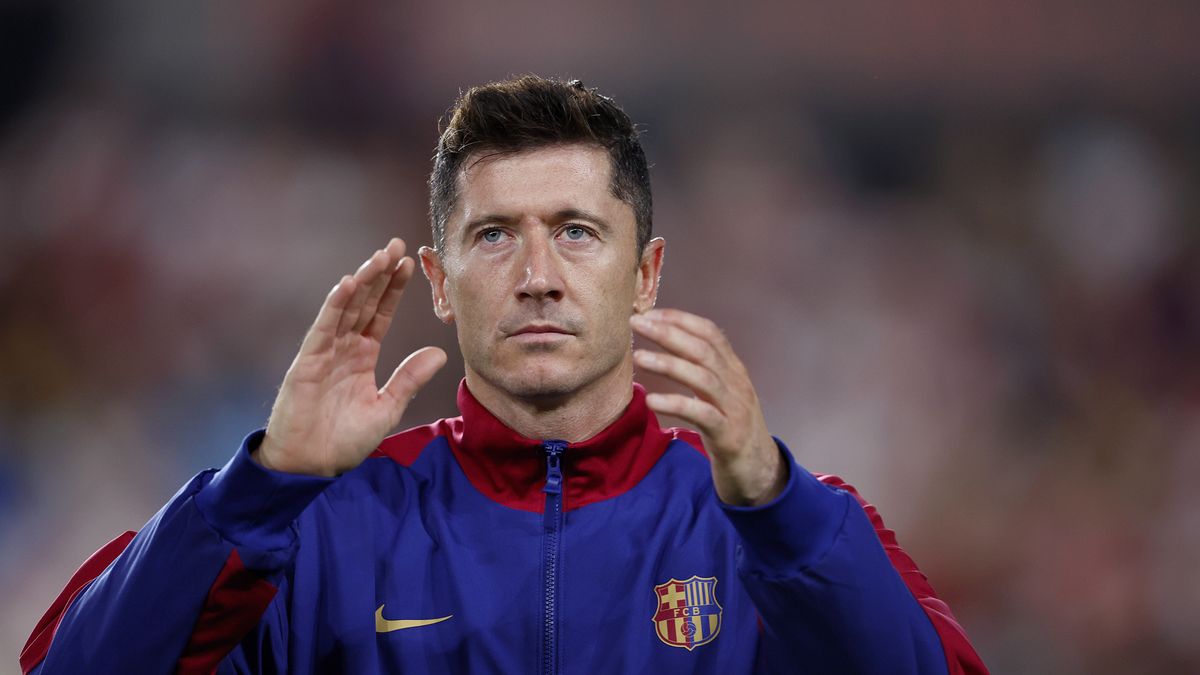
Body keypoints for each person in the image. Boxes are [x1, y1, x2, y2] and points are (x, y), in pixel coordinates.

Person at [22, 76, 987, 674]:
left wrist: (777, 507)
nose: (536, 277)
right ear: (439, 284)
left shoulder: (777, 530)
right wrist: (262, 484)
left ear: (645, 272)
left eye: (576, 231)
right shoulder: (315, 527)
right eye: (494, 237)